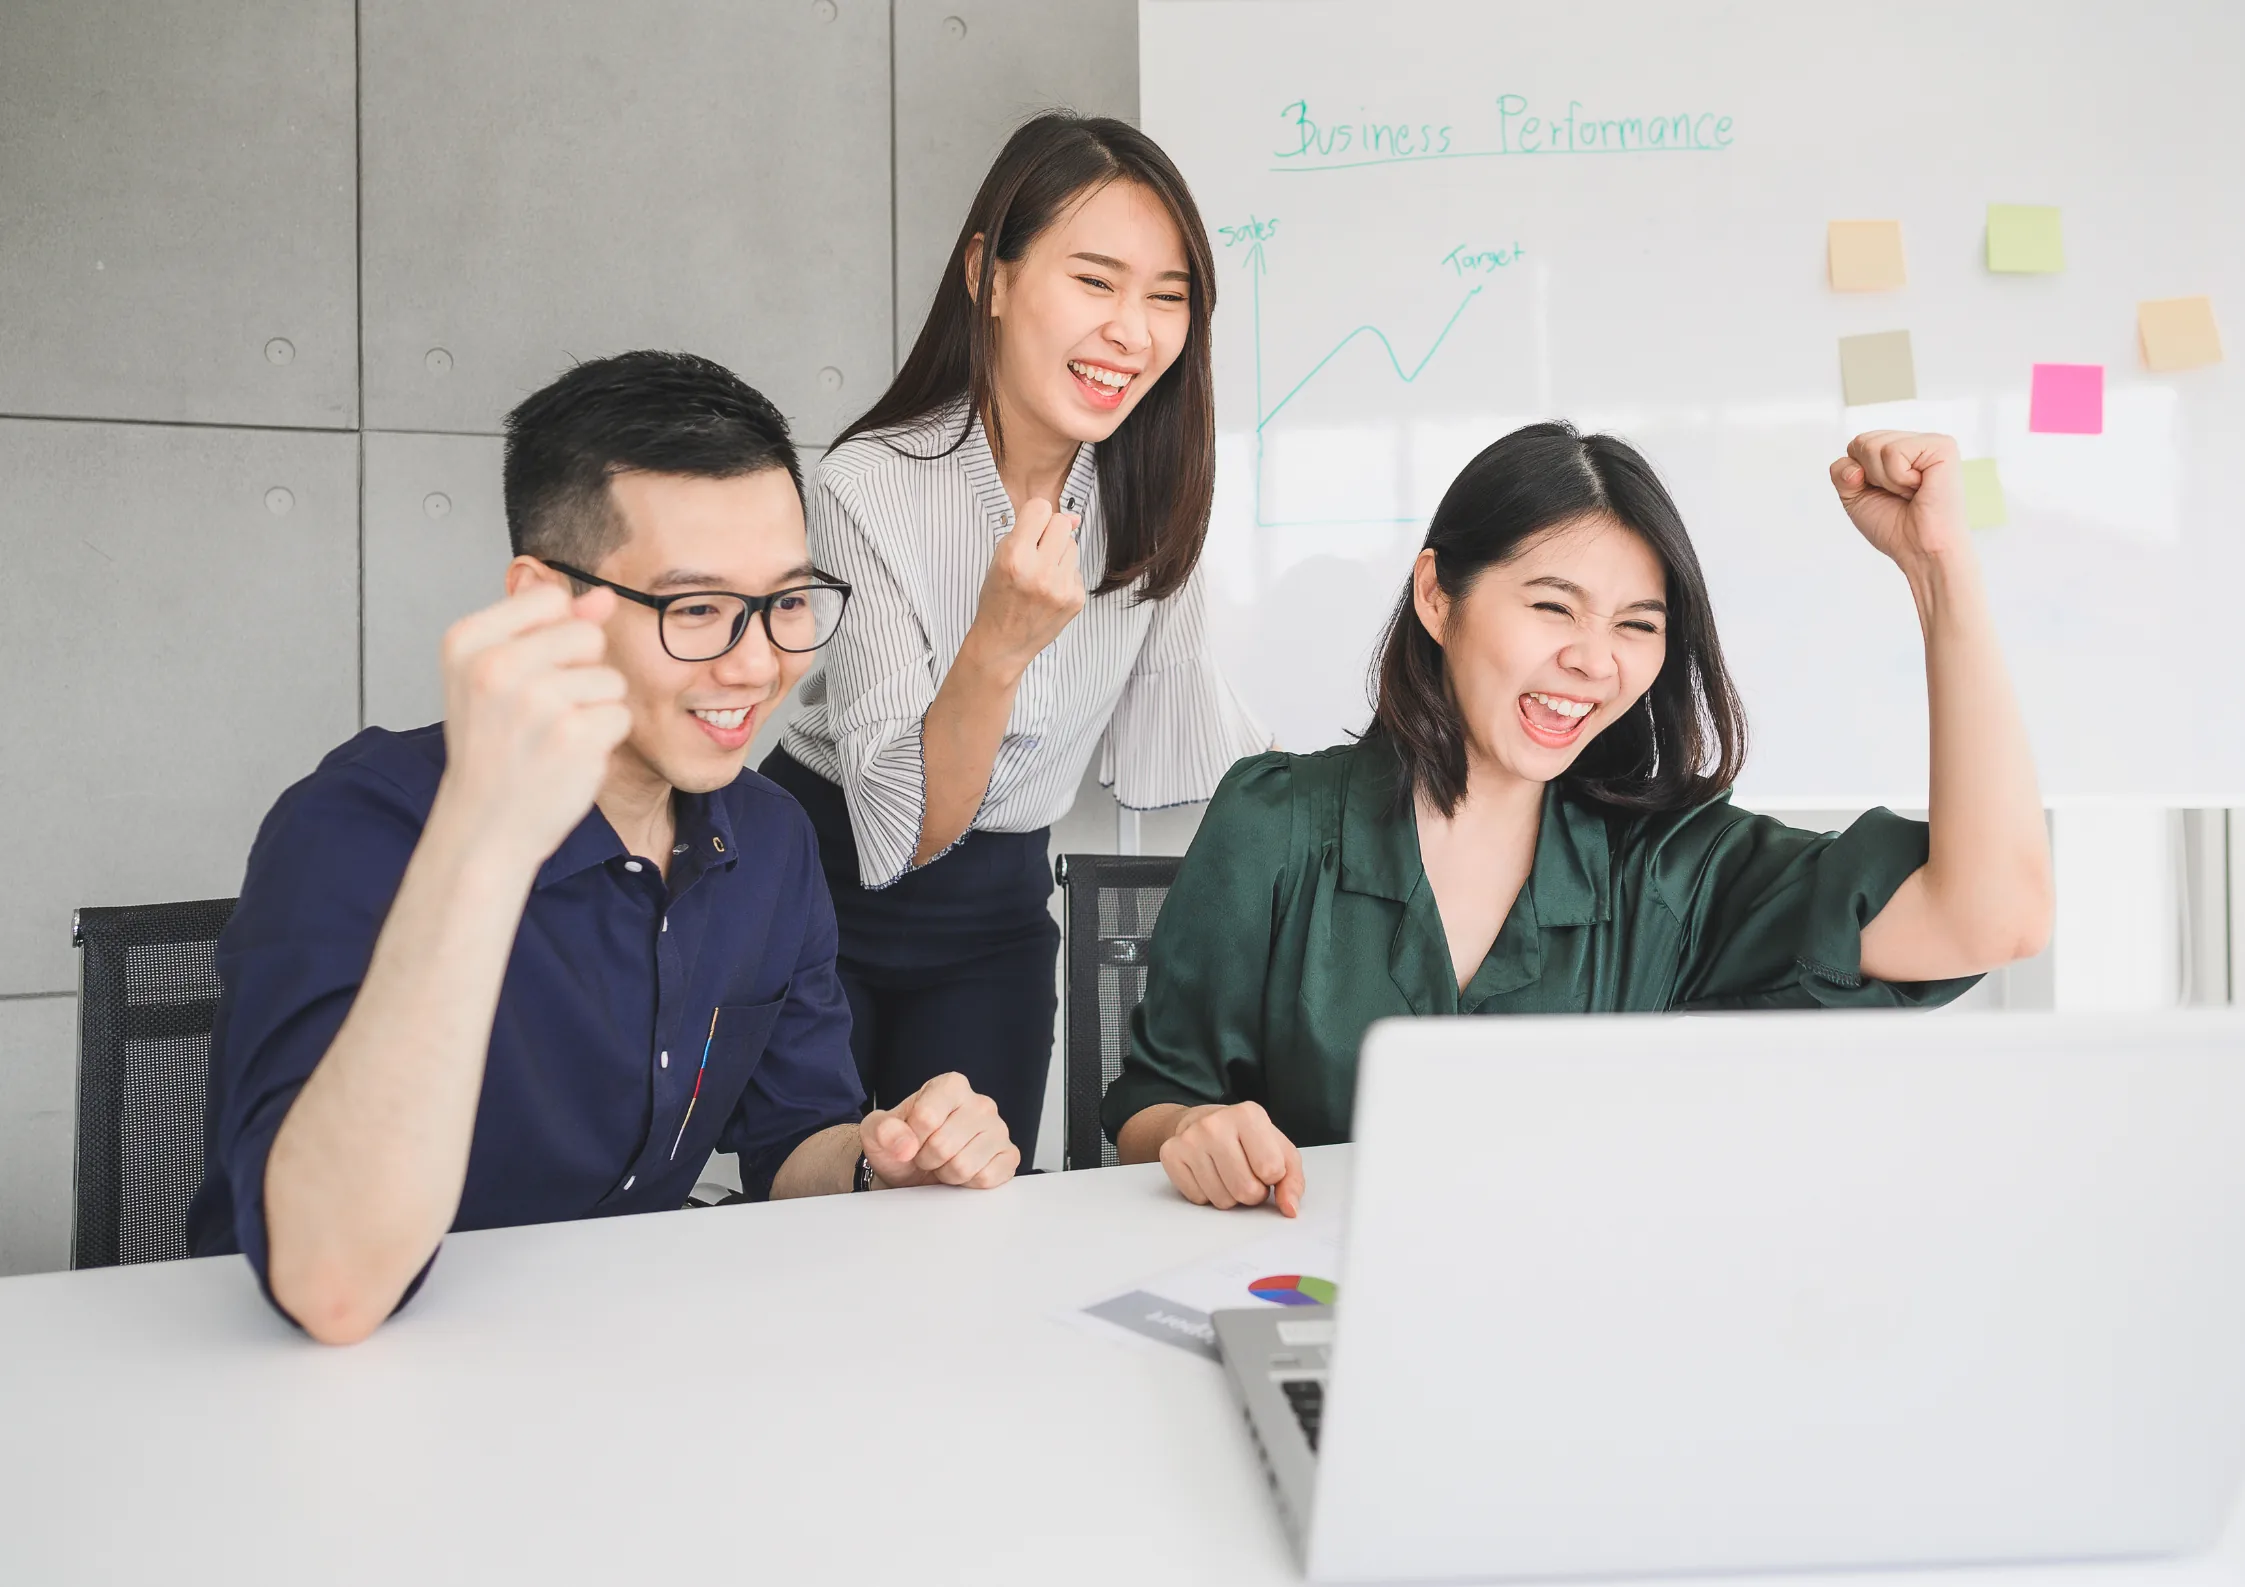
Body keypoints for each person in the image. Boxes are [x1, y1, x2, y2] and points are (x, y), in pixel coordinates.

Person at [186, 351, 1019, 1345]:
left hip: (622, 1362)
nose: (758, 665)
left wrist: (880, 1160)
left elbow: (794, 1139)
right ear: (544, 602)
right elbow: (330, 1289)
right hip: (330, 1387)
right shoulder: (357, 827)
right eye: (695, 609)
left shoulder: (770, 835)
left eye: (787, 602)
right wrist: (485, 844)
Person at [1103, 425, 2054, 1215]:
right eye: (1554, 606)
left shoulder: (1672, 871)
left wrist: (1938, 574)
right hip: (1315, 1321)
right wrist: (1193, 1132)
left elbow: (1993, 913)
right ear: (1438, 596)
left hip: (1572, 1338)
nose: (1594, 662)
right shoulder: (1275, 822)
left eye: (1637, 625)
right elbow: (1152, 1102)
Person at [760, 112, 1267, 1162]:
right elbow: (902, 834)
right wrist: (999, 644)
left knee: (968, 1216)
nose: (1134, 331)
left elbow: (1186, 756)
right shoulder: (867, 487)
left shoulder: (1154, 503)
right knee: (816, 1222)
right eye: (1095, 282)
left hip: (995, 912)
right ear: (988, 275)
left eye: (1167, 298)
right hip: (825, 888)